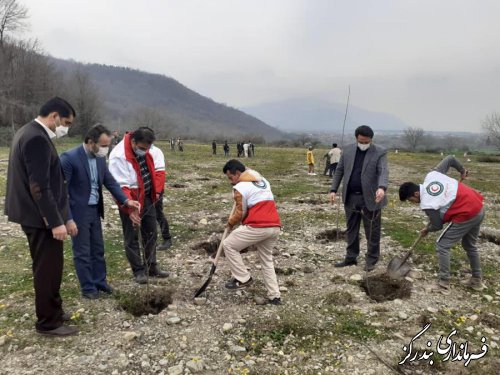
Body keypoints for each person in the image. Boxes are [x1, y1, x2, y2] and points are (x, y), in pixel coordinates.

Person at [5, 97, 78, 336]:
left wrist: (64, 217)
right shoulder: (36, 137)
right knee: (47, 269)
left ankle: (54, 310)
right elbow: (39, 186)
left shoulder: (30, 132)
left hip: (37, 215)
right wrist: (55, 221)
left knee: (53, 267)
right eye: (65, 122)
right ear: (54, 116)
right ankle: (48, 322)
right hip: (39, 217)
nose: (65, 128)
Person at [60, 124, 141, 299]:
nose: (106, 149)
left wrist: (126, 200)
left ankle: (100, 282)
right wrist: (68, 219)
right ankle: (88, 288)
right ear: (90, 142)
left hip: (95, 211)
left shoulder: (99, 158)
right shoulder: (69, 158)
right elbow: (61, 192)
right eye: (103, 145)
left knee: (97, 249)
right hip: (78, 213)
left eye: (108, 145)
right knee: (82, 252)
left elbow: (110, 182)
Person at [399, 156, 485, 291]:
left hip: (466, 212)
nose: (413, 203)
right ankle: (477, 280)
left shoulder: (427, 203)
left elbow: (438, 225)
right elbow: (450, 159)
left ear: (416, 193)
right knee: (469, 245)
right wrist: (462, 170)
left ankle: (443, 283)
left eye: (411, 200)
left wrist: (428, 230)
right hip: (478, 207)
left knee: (442, 245)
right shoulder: (432, 176)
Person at [108, 127, 169, 284]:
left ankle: (151, 265)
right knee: (132, 235)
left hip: (146, 196)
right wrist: (130, 208)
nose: (144, 151)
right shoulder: (119, 156)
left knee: (151, 232)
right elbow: (120, 187)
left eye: (147, 149)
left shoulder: (144, 149)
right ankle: (138, 270)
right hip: (129, 199)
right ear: (133, 142)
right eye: (142, 148)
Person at [221, 160, 282, 305]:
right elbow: (250, 171)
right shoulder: (263, 181)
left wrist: (229, 223)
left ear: (237, 173)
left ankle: (243, 278)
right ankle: (275, 296)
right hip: (274, 226)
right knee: (267, 260)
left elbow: (240, 213)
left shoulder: (240, 187)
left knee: (228, 244)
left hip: (258, 226)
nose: (231, 181)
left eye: (231, 177)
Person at [329, 125, 388, 271]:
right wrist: (333, 190)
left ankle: (371, 259)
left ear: (371, 140)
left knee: (372, 231)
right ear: (356, 138)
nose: (364, 144)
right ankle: (351, 257)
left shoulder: (379, 152)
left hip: (372, 199)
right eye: (361, 141)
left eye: (367, 142)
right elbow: (340, 170)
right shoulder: (347, 150)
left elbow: (383, 171)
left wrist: (382, 188)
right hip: (351, 197)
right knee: (352, 229)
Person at [149, 142, 173, 251]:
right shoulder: (138, 150)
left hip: (155, 188)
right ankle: (149, 240)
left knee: (158, 213)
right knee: (146, 215)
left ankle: (167, 238)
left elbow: (160, 173)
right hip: (144, 187)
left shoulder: (156, 151)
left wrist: (157, 191)